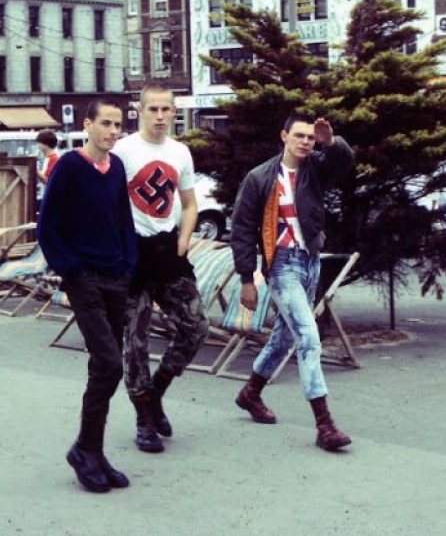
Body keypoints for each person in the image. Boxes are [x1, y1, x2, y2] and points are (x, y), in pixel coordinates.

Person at [230, 112, 355, 451]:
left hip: (310, 261)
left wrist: (331, 141)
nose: (305, 142)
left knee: (285, 337)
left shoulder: (314, 167)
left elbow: (344, 161)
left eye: (310, 138)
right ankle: (324, 424)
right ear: (283, 136)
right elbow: (241, 230)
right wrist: (247, 280)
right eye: (298, 136)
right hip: (282, 265)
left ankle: (250, 393)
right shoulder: (259, 178)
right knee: (307, 337)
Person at [37, 98, 137, 493]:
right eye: (107, 124)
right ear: (88, 124)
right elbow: (48, 228)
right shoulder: (69, 167)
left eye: (118, 125)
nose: (114, 131)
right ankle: (84, 448)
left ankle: (91, 452)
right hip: (86, 280)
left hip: (116, 276)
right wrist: (73, 271)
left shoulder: (116, 169)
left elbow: (124, 221)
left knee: (104, 368)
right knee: (111, 364)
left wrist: (128, 264)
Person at [112, 83, 209, 454]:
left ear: (173, 111)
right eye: (152, 109)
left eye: (166, 109)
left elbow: (188, 204)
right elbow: (111, 201)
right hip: (132, 254)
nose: (159, 116)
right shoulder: (123, 150)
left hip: (168, 251)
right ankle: (143, 419)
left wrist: (184, 238)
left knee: (196, 325)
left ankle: (157, 390)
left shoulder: (180, 152)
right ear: (140, 111)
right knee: (134, 340)